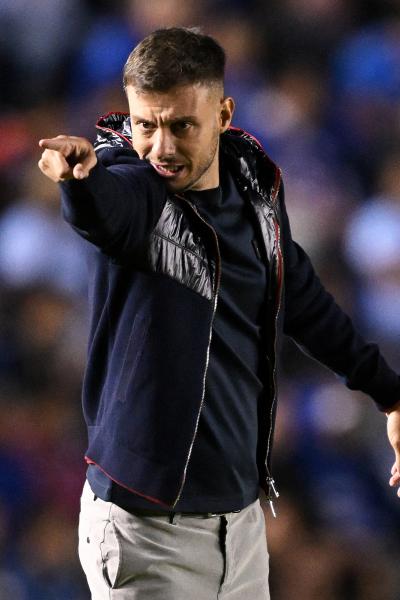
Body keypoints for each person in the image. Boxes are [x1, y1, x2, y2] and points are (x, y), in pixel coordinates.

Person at [38, 27, 400, 600]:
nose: (161, 147)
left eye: (182, 125)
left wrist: (388, 392)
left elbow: (297, 294)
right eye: (145, 125)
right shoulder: (134, 190)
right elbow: (105, 213)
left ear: (224, 112)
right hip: (145, 532)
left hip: (242, 524)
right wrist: (79, 187)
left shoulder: (254, 184)